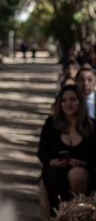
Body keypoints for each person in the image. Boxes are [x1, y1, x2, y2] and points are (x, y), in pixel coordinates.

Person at [37, 84, 96, 215]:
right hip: (56, 170)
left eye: (73, 100)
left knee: (76, 174)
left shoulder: (92, 126)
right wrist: (53, 162)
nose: (68, 104)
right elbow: (42, 153)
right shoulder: (51, 124)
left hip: (84, 172)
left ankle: (78, 213)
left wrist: (83, 163)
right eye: (64, 100)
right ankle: (58, 213)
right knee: (52, 174)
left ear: (80, 102)